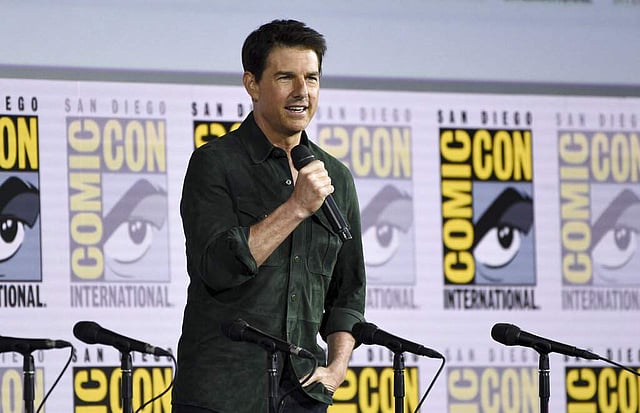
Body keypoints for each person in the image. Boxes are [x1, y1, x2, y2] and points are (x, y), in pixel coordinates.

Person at [172, 19, 367, 413]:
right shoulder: (215, 163)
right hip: (222, 393)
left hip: (303, 393)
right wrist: (296, 207)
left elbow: (348, 292)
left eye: (311, 78)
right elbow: (217, 267)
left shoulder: (335, 177)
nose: (302, 92)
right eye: (285, 77)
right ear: (253, 84)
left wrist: (337, 368)